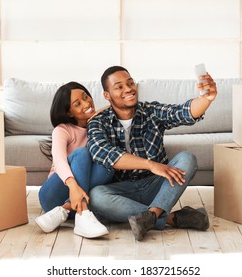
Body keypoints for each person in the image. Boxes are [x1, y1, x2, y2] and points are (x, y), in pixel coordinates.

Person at [86, 66, 217, 241]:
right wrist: (151, 164)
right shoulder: (98, 122)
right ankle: (170, 218)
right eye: (119, 87)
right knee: (96, 196)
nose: (128, 89)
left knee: (187, 158)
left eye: (130, 83)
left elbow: (182, 112)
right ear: (107, 95)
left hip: (157, 185)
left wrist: (206, 99)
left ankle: (152, 215)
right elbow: (104, 153)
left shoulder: (151, 111)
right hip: (123, 191)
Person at [36, 81, 114, 238]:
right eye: (78, 103)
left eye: (86, 97)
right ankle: (82, 211)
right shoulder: (62, 130)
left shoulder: (98, 126)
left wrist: (97, 116)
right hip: (53, 196)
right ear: (69, 113)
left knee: (109, 164)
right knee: (82, 153)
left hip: (77, 202)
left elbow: (120, 108)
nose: (87, 103)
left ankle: (66, 209)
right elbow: (59, 161)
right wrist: (73, 187)